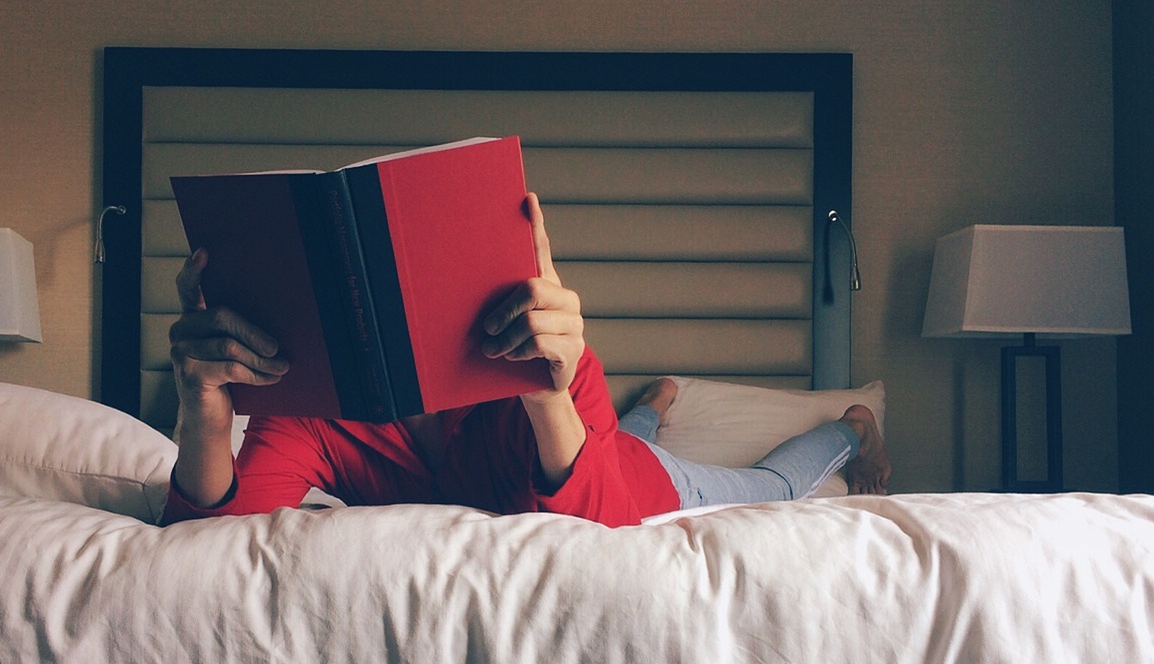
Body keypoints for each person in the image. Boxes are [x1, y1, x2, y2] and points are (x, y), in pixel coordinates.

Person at [162, 194, 890, 529]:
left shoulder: (539, 360)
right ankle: (657, 403)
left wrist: (547, 398)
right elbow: (210, 535)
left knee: (771, 485)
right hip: (602, 447)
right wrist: (205, 411)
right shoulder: (314, 411)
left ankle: (852, 429)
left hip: (646, 485)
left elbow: (599, 525)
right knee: (619, 433)